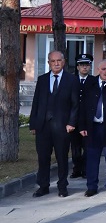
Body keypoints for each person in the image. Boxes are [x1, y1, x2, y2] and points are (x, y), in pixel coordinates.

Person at [29, 51, 79, 198]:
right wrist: (33, 123)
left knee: (62, 157)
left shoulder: (71, 80)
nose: (56, 63)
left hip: (63, 127)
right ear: (49, 63)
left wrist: (71, 123)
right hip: (43, 126)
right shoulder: (42, 79)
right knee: (43, 157)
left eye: (59, 61)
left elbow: (75, 104)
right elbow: (36, 102)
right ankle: (43, 186)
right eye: (53, 61)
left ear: (63, 62)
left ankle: (62, 186)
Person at [79, 59, 106, 197]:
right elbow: (82, 107)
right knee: (92, 159)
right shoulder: (90, 84)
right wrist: (82, 126)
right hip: (93, 127)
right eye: (103, 69)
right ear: (98, 70)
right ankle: (91, 186)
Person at [71, 53, 93, 179]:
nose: (84, 67)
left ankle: (85, 169)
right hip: (74, 119)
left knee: (87, 146)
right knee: (75, 147)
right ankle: (76, 168)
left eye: (86, 65)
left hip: (87, 120)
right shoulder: (71, 80)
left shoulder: (93, 81)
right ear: (78, 67)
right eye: (82, 65)